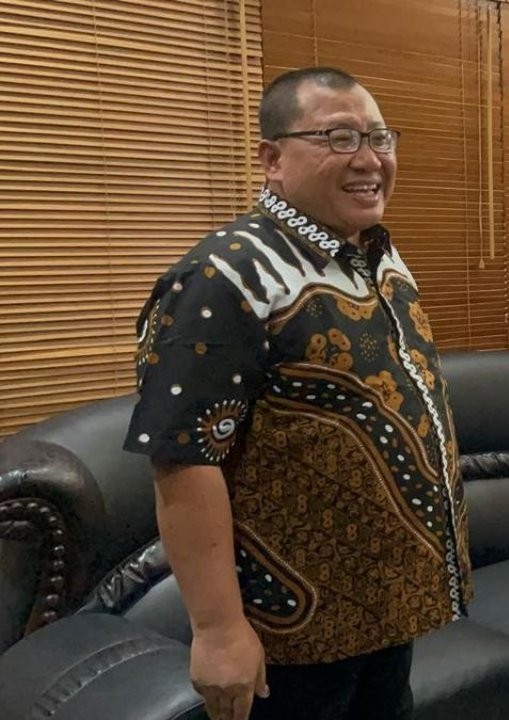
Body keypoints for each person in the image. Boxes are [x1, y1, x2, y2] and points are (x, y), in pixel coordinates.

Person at [124, 67, 470, 720]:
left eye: (379, 137)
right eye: (339, 137)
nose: (369, 159)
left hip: (388, 608)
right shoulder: (224, 275)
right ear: (272, 159)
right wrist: (218, 630)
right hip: (294, 636)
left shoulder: (377, 257)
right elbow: (184, 458)